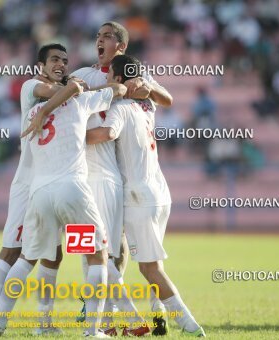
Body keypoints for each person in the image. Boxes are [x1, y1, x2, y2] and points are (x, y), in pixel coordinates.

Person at [0, 78, 126, 337]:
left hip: (40, 194)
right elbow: (117, 90)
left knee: (27, 258)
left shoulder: (31, 113)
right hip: (72, 191)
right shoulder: (79, 102)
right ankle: (92, 331)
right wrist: (95, 87)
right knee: (97, 254)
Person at [86, 55, 206, 337]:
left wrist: (73, 135)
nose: (105, 80)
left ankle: (188, 324)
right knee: (147, 262)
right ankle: (153, 315)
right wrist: (145, 86)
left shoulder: (123, 107)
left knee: (145, 267)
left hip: (137, 195)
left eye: (109, 76)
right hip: (159, 192)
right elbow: (162, 98)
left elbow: (108, 133)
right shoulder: (146, 104)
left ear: (117, 78)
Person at [0, 43, 84, 336]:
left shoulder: (67, 97)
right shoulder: (32, 86)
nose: (60, 64)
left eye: (64, 60)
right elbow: (55, 93)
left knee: (54, 255)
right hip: (28, 183)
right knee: (12, 250)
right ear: (41, 66)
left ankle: (44, 323)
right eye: (54, 60)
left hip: (53, 183)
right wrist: (76, 84)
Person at [71, 21, 173, 335]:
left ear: (122, 47)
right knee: (96, 248)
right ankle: (103, 313)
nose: (99, 40)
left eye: (107, 36)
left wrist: (149, 88)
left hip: (124, 177)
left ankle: (136, 318)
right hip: (93, 174)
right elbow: (66, 91)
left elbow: (166, 98)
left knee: (129, 251)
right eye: (97, 35)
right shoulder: (84, 75)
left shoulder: (134, 75)